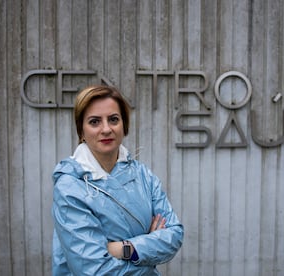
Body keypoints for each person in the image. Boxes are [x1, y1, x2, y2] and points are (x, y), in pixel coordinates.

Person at [51, 85, 184, 275]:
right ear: (81, 130)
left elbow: (175, 234)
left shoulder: (142, 175)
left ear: (124, 125)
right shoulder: (70, 187)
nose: (106, 129)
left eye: (113, 119)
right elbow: (95, 270)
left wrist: (123, 248)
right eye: (95, 121)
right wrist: (149, 247)